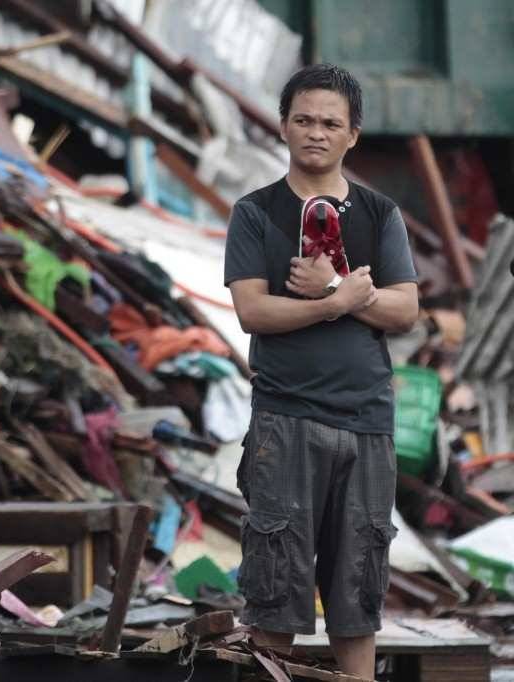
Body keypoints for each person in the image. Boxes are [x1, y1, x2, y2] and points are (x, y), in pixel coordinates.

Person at [223, 63, 419, 679]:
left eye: (331, 123)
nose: (316, 132)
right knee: (274, 595)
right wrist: (339, 303)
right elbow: (253, 311)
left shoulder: (380, 214)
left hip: (367, 424)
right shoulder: (255, 213)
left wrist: (335, 285)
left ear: (352, 134)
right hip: (285, 421)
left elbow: (406, 309)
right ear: (283, 126)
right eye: (303, 120)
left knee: (358, 598)